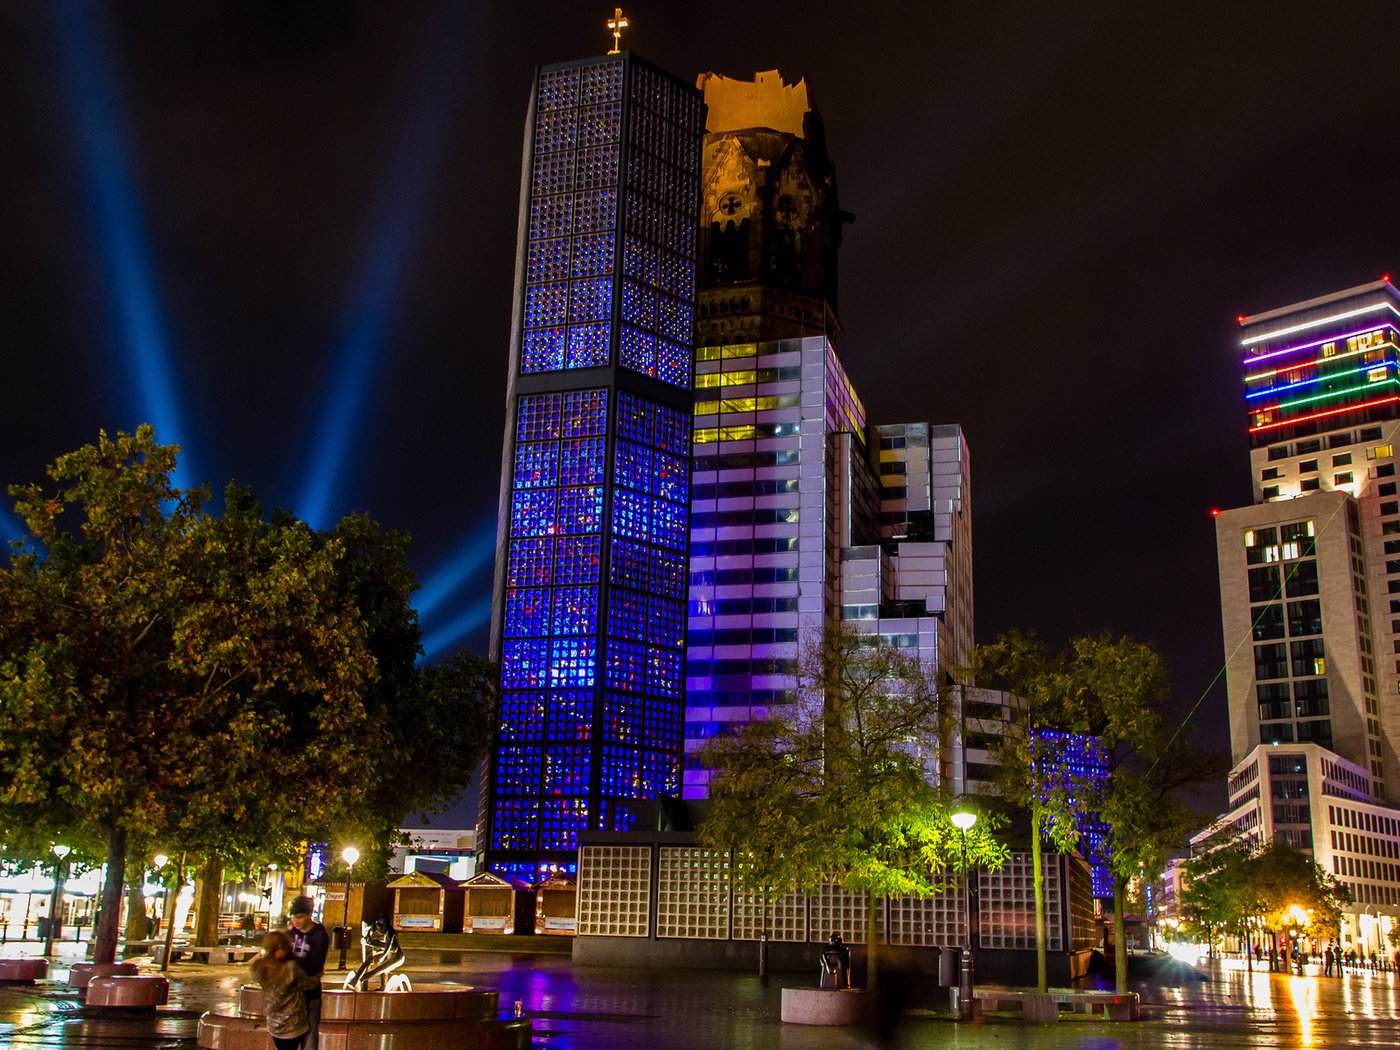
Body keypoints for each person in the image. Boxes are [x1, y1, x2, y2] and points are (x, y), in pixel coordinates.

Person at [250, 930, 320, 1050]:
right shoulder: (290, 968)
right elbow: (308, 984)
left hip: (274, 1024)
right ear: (278, 950)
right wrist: (318, 976)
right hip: (293, 1025)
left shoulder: (259, 968)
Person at [287, 896, 329, 1050]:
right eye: (294, 917)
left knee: (310, 1038)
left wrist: (291, 966)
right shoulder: (290, 934)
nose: (296, 921)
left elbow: (315, 964)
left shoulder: (319, 935)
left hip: (310, 995)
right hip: (291, 996)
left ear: (309, 915)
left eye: (300, 917)